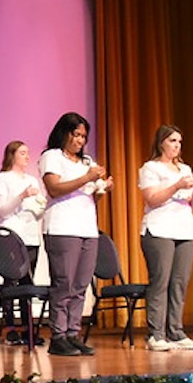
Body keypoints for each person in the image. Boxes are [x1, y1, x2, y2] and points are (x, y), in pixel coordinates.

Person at [39, 112, 112, 357]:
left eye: (83, 136)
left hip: (87, 228)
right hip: (62, 227)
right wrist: (87, 178)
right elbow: (54, 188)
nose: (80, 140)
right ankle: (58, 336)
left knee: (81, 285)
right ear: (64, 133)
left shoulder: (85, 161)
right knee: (64, 283)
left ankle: (73, 333)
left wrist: (101, 188)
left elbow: (90, 194)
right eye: (76, 134)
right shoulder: (52, 156)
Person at [139, 124, 193, 351]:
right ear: (161, 143)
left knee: (180, 282)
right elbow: (152, 199)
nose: (176, 146)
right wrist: (176, 185)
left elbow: (192, 205)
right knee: (161, 281)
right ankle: (155, 335)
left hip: (184, 230)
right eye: (172, 141)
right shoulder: (150, 168)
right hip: (159, 230)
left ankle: (176, 331)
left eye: (179, 141)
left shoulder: (185, 169)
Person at [0, 140, 45, 344]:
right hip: (11, 236)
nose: (27, 156)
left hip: (31, 236)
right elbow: (2, 210)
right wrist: (22, 196)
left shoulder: (32, 179)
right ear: (12, 155)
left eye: (27, 152)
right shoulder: (2, 178)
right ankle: (10, 327)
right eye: (22, 152)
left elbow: (38, 209)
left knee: (27, 284)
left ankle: (28, 328)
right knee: (10, 282)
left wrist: (41, 206)